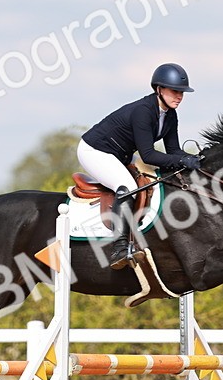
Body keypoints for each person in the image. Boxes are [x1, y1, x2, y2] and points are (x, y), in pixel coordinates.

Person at [77, 63, 202, 269]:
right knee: (128, 187)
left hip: (120, 154)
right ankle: (119, 247)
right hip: (95, 150)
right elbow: (149, 155)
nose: (179, 96)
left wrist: (196, 159)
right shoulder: (143, 111)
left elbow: (173, 151)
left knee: (150, 184)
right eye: (175, 91)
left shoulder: (170, 115)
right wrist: (182, 161)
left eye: (182, 93)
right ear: (159, 89)